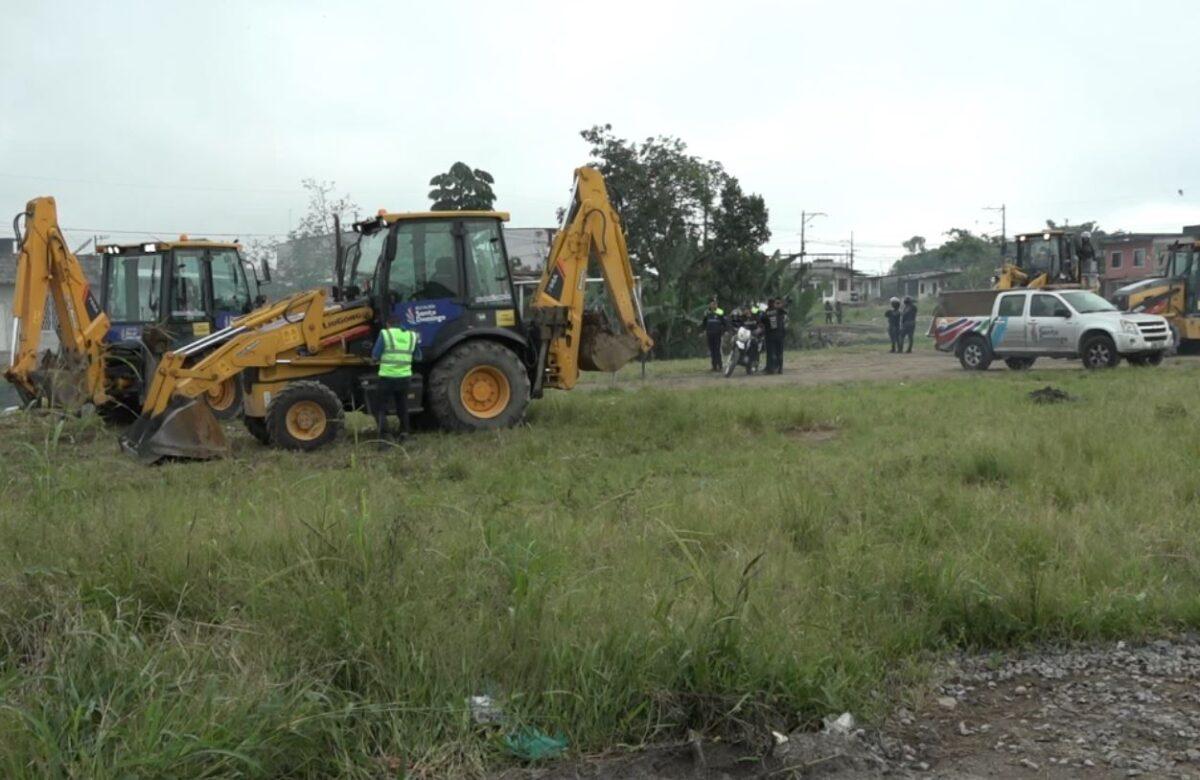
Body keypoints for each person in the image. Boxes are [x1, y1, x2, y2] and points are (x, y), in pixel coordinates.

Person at [371, 314, 421, 441]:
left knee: (379, 407)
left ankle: (386, 437)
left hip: (387, 377)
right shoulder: (411, 336)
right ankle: (405, 434)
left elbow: (375, 355)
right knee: (402, 406)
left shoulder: (385, 334)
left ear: (388, 324)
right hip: (404, 378)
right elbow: (418, 357)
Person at [761, 297, 787, 374]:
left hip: (770, 336)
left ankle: (770, 369)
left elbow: (762, 319)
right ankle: (780, 369)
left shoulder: (767, 312)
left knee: (770, 353)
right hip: (780, 335)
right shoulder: (779, 311)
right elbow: (785, 312)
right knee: (779, 352)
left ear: (768, 304)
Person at [700, 299, 726, 372]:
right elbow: (704, 323)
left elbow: (724, 322)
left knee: (717, 350)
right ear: (710, 305)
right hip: (709, 334)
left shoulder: (720, 312)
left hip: (717, 334)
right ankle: (714, 366)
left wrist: (724, 331)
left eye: (715, 304)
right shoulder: (707, 312)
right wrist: (703, 331)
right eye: (712, 304)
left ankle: (720, 365)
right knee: (712, 350)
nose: (714, 305)